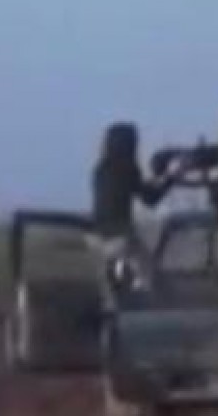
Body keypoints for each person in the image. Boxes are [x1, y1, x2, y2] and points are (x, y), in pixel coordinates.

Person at [90, 122, 185, 307]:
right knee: (157, 284)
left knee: (110, 287)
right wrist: (172, 177)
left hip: (97, 237)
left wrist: (157, 179)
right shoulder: (128, 168)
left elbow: (125, 189)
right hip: (120, 236)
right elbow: (151, 199)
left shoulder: (101, 170)